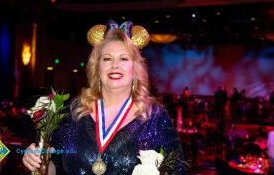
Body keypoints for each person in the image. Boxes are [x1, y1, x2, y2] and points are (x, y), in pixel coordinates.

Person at [22, 20, 187, 175]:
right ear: (97, 68)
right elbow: (55, 167)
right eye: (107, 59)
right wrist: (38, 162)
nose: (115, 65)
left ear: (135, 68)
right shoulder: (74, 112)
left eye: (123, 58)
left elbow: (178, 169)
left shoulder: (154, 116)